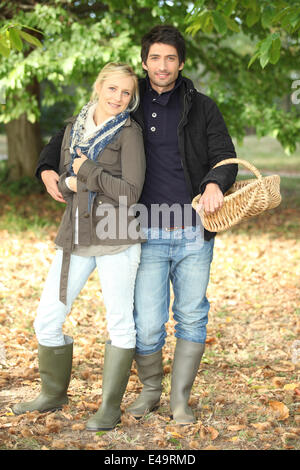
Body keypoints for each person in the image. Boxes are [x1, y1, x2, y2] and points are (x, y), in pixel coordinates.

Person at [35, 25, 238, 426]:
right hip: (144, 228)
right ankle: (149, 392)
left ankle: (180, 400)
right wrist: (45, 167)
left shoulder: (202, 107)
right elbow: (71, 132)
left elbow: (224, 155)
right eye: (155, 58)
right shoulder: (129, 101)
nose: (162, 66)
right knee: (146, 321)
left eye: (171, 58)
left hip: (193, 227)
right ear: (145, 62)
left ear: (181, 63)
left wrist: (215, 182)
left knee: (192, 314)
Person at [12, 62, 146, 432]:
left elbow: (131, 193)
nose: (119, 98)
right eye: (113, 89)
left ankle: (108, 408)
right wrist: (56, 176)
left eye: (126, 93)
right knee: (47, 319)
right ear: (99, 87)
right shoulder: (75, 127)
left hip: (116, 236)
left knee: (120, 323)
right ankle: (52, 394)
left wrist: (85, 174)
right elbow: (62, 173)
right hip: (74, 233)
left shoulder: (129, 133)